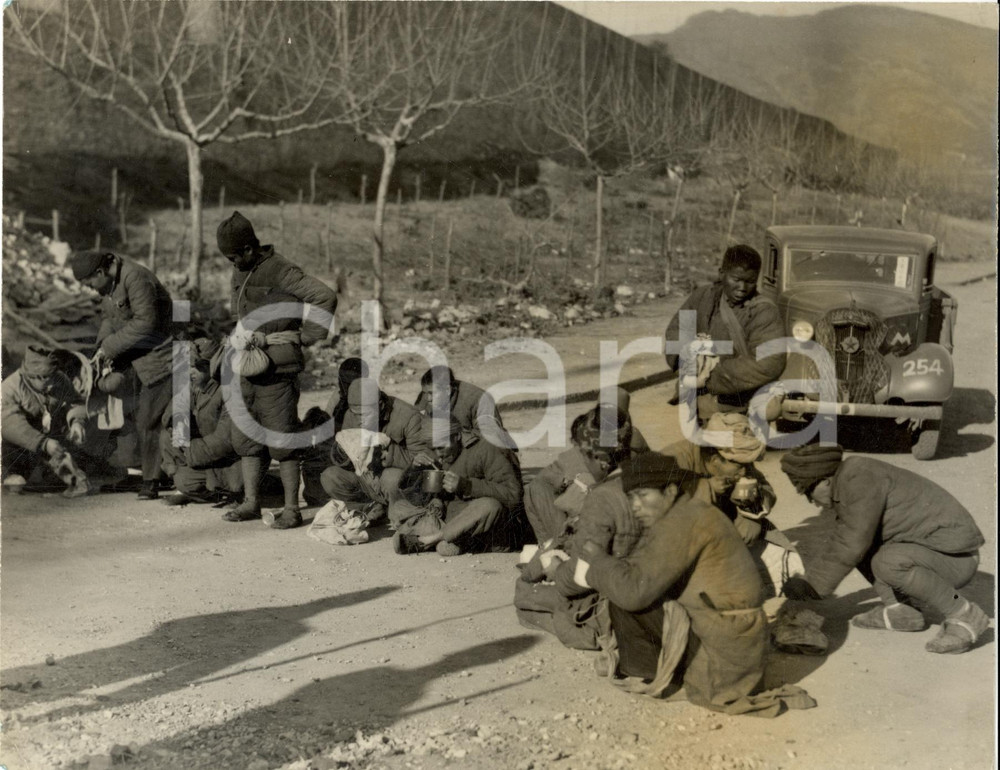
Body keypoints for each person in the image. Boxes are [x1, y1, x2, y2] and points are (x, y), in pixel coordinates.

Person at [564, 452, 815, 717]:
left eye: (644, 496)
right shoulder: (690, 513)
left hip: (726, 652)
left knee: (624, 595)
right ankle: (663, 668)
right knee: (627, 580)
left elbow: (633, 592)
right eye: (631, 498)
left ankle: (656, 675)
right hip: (741, 645)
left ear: (671, 491)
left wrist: (598, 562)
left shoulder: (681, 524)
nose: (636, 506)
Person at [779, 445, 989, 654]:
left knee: (885, 561)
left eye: (808, 492)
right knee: (866, 549)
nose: (810, 501)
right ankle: (901, 612)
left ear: (825, 481)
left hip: (957, 559)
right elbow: (846, 541)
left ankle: (963, 613)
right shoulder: (851, 477)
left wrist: (811, 588)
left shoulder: (860, 479)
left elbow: (850, 544)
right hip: (935, 551)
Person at [216, 211, 338, 529]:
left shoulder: (281, 270)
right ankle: (251, 503)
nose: (232, 264)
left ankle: (291, 509)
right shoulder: (240, 271)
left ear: (248, 249)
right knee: (248, 434)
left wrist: (308, 336)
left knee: (282, 438)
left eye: (234, 257)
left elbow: (324, 296)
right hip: (248, 363)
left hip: (278, 367)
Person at [69, 249, 175, 499]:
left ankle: (153, 480)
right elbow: (110, 318)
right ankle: (137, 473)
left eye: (90, 283)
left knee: (149, 418)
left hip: (161, 356)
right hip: (133, 355)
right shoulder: (109, 285)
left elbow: (146, 324)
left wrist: (110, 347)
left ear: (100, 272)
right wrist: (101, 345)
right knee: (127, 414)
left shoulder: (135, 278)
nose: (91, 289)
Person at [664, 244, 785, 419]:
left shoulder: (764, 311)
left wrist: (709, 377)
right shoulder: (703, 297)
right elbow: (677, 332)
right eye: (736, 279)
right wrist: (687, 364)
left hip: (741, 402)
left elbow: (768, 362)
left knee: (739, 443)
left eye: (750, 281)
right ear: (722, 274)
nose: (742, 287)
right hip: (699, 395)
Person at [523, 391, 645, 546]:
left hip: (595, 522)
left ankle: (553, 546)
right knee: (538, 487)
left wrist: (574, 481)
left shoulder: (622, 444)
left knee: (536, 489)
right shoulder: (630, 441)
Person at [389, 416, 524, 556]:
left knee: (489, 505)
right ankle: (455, 539)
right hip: (455, 517)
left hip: (489, 522)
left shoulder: (488, 449)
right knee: (398, 504)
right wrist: (414, 469)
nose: (437, 454)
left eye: (441, 448)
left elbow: (514, 495)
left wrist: (467, 486)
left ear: (457, 436)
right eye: (433, 448)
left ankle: (431, 539)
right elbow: (417, 498)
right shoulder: (439, 449)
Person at [319, 377, 429, 521]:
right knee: (330, 477)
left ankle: (401, 514)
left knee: (391, 478)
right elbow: (349, 457)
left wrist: (389, 453)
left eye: (365, 415)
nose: (359, 420)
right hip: (366, 479)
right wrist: (342, 454)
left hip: (395, 481)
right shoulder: (351, 415)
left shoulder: (408, 416)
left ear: (380, 405)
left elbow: (423, 459)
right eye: (356, 414)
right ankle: (369, 509)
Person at [159, 340, 242, 506]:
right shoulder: (195, 386)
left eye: (197, 367)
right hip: (204, 455)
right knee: (167, 439)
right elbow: (174, 408)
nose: (191, 372)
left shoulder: (228, 391)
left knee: (234, 483)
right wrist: (179, 421)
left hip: (229, 460)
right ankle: (207, 491)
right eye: (189, 367)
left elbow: (224, 441)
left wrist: (187, 448)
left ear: (213, 367)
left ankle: (244, 488)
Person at [1, 345, 92, 497]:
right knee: (16, 478)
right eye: (47, 380)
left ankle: (55, 475)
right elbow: (10, 425)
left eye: (54, 377)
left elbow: (75, 403)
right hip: (22, 444)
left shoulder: (58, 378)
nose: (53, 384)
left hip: (51, 439)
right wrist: (43, 443)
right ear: (33, 376)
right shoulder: (9, 388)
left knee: (68, 471)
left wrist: (77, 422)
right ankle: (13, 472)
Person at [413, 366, 517, 457]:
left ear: (448, 390)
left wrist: (453, 435)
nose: (427, 399)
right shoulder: (426, 398)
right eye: (425, 393)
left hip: (480, 448)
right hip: (449, 449)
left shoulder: (479, 398)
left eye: (432, 393)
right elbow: (424, 432)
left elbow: (490, 435)